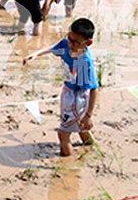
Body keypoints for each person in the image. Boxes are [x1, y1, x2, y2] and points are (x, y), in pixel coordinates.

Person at [23, 18, 98, 156]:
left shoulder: (84, 62)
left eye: (76, 42)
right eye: (69, 38)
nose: (71, 43)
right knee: (82, 128)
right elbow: (53, 48)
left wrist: (88, 115)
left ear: (88, 43)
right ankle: (92, 150)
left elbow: (93, 89)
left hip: (78, 97)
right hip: (68, 91)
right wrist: (36, 54)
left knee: (63, 134)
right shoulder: (67, 44)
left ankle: (66, 167)